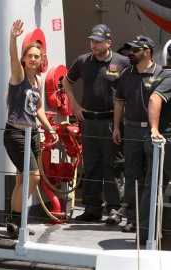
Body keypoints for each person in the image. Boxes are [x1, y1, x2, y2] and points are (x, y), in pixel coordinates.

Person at [62, 24, 129, 224]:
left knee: (113, 166)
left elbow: (132, 86)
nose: (94, 45)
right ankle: (92, 209)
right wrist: (74, 105)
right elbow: (66, 81)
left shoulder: (122, 62)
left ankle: (115, 209)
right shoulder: (83, 61)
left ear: (109, 42)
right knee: (91, 165)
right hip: (89, 121)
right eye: (92, 41)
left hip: (111, 122)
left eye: (98, 42)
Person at [3, 20, 58, 233]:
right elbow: (12, 58)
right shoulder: (19, 76)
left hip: (33, 134)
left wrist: (49, 128)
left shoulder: (39, 81)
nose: (33, 59)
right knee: (34, 177)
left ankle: (15, 223)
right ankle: (16, 221)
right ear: (24, 58)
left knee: (21, 180)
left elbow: (39, 109)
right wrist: (14, 38)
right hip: (16, 134)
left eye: (37, 56)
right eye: (30, 56)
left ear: (41, 59)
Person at [113, 35, 162, 232]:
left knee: (152, 176)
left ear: (147, 51)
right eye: (130, 49)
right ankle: (133, 219)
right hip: (131, 129)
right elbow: (119, 102)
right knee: (133, 174)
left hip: (153, 133)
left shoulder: (160, 74)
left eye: (135, 50)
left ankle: (148, 220)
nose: (130, 53)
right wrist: (117, 127)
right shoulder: (126, 74)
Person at [139, 44, 171, 243]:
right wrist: (155, 129)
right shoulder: (169, 78)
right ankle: (147, 233)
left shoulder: (160, 75)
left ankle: (147, 232)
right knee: (154, 187)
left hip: (158, 143)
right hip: (165, 142)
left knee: (152, 187)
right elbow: (154, 99)